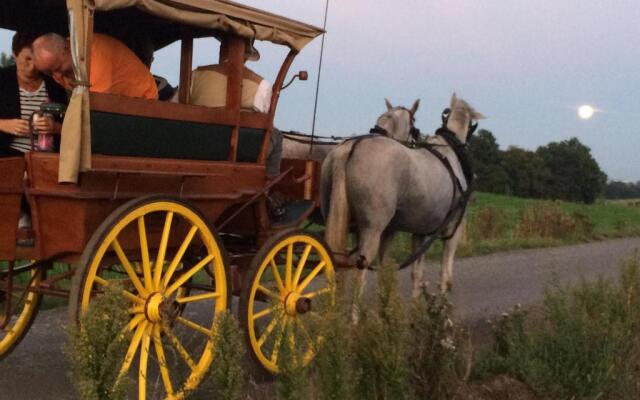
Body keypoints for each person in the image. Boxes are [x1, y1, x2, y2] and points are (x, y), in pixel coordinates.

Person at [32, 32, 158, 100]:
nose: (57, 76)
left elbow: (96, 102)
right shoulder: (58, 65)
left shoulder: (95, 51)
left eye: (58, 68)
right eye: (50, 73)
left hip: (143, 101)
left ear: (67, 48)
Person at [0, 31, 67, 156]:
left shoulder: (55, 87)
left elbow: (73, 130)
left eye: (35, 59)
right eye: (27, 59)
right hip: (9, 158)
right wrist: (4, 125)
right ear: (15, 54)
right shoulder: (3, 80)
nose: (31, 66)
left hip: (48, 159)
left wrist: (55, 127)